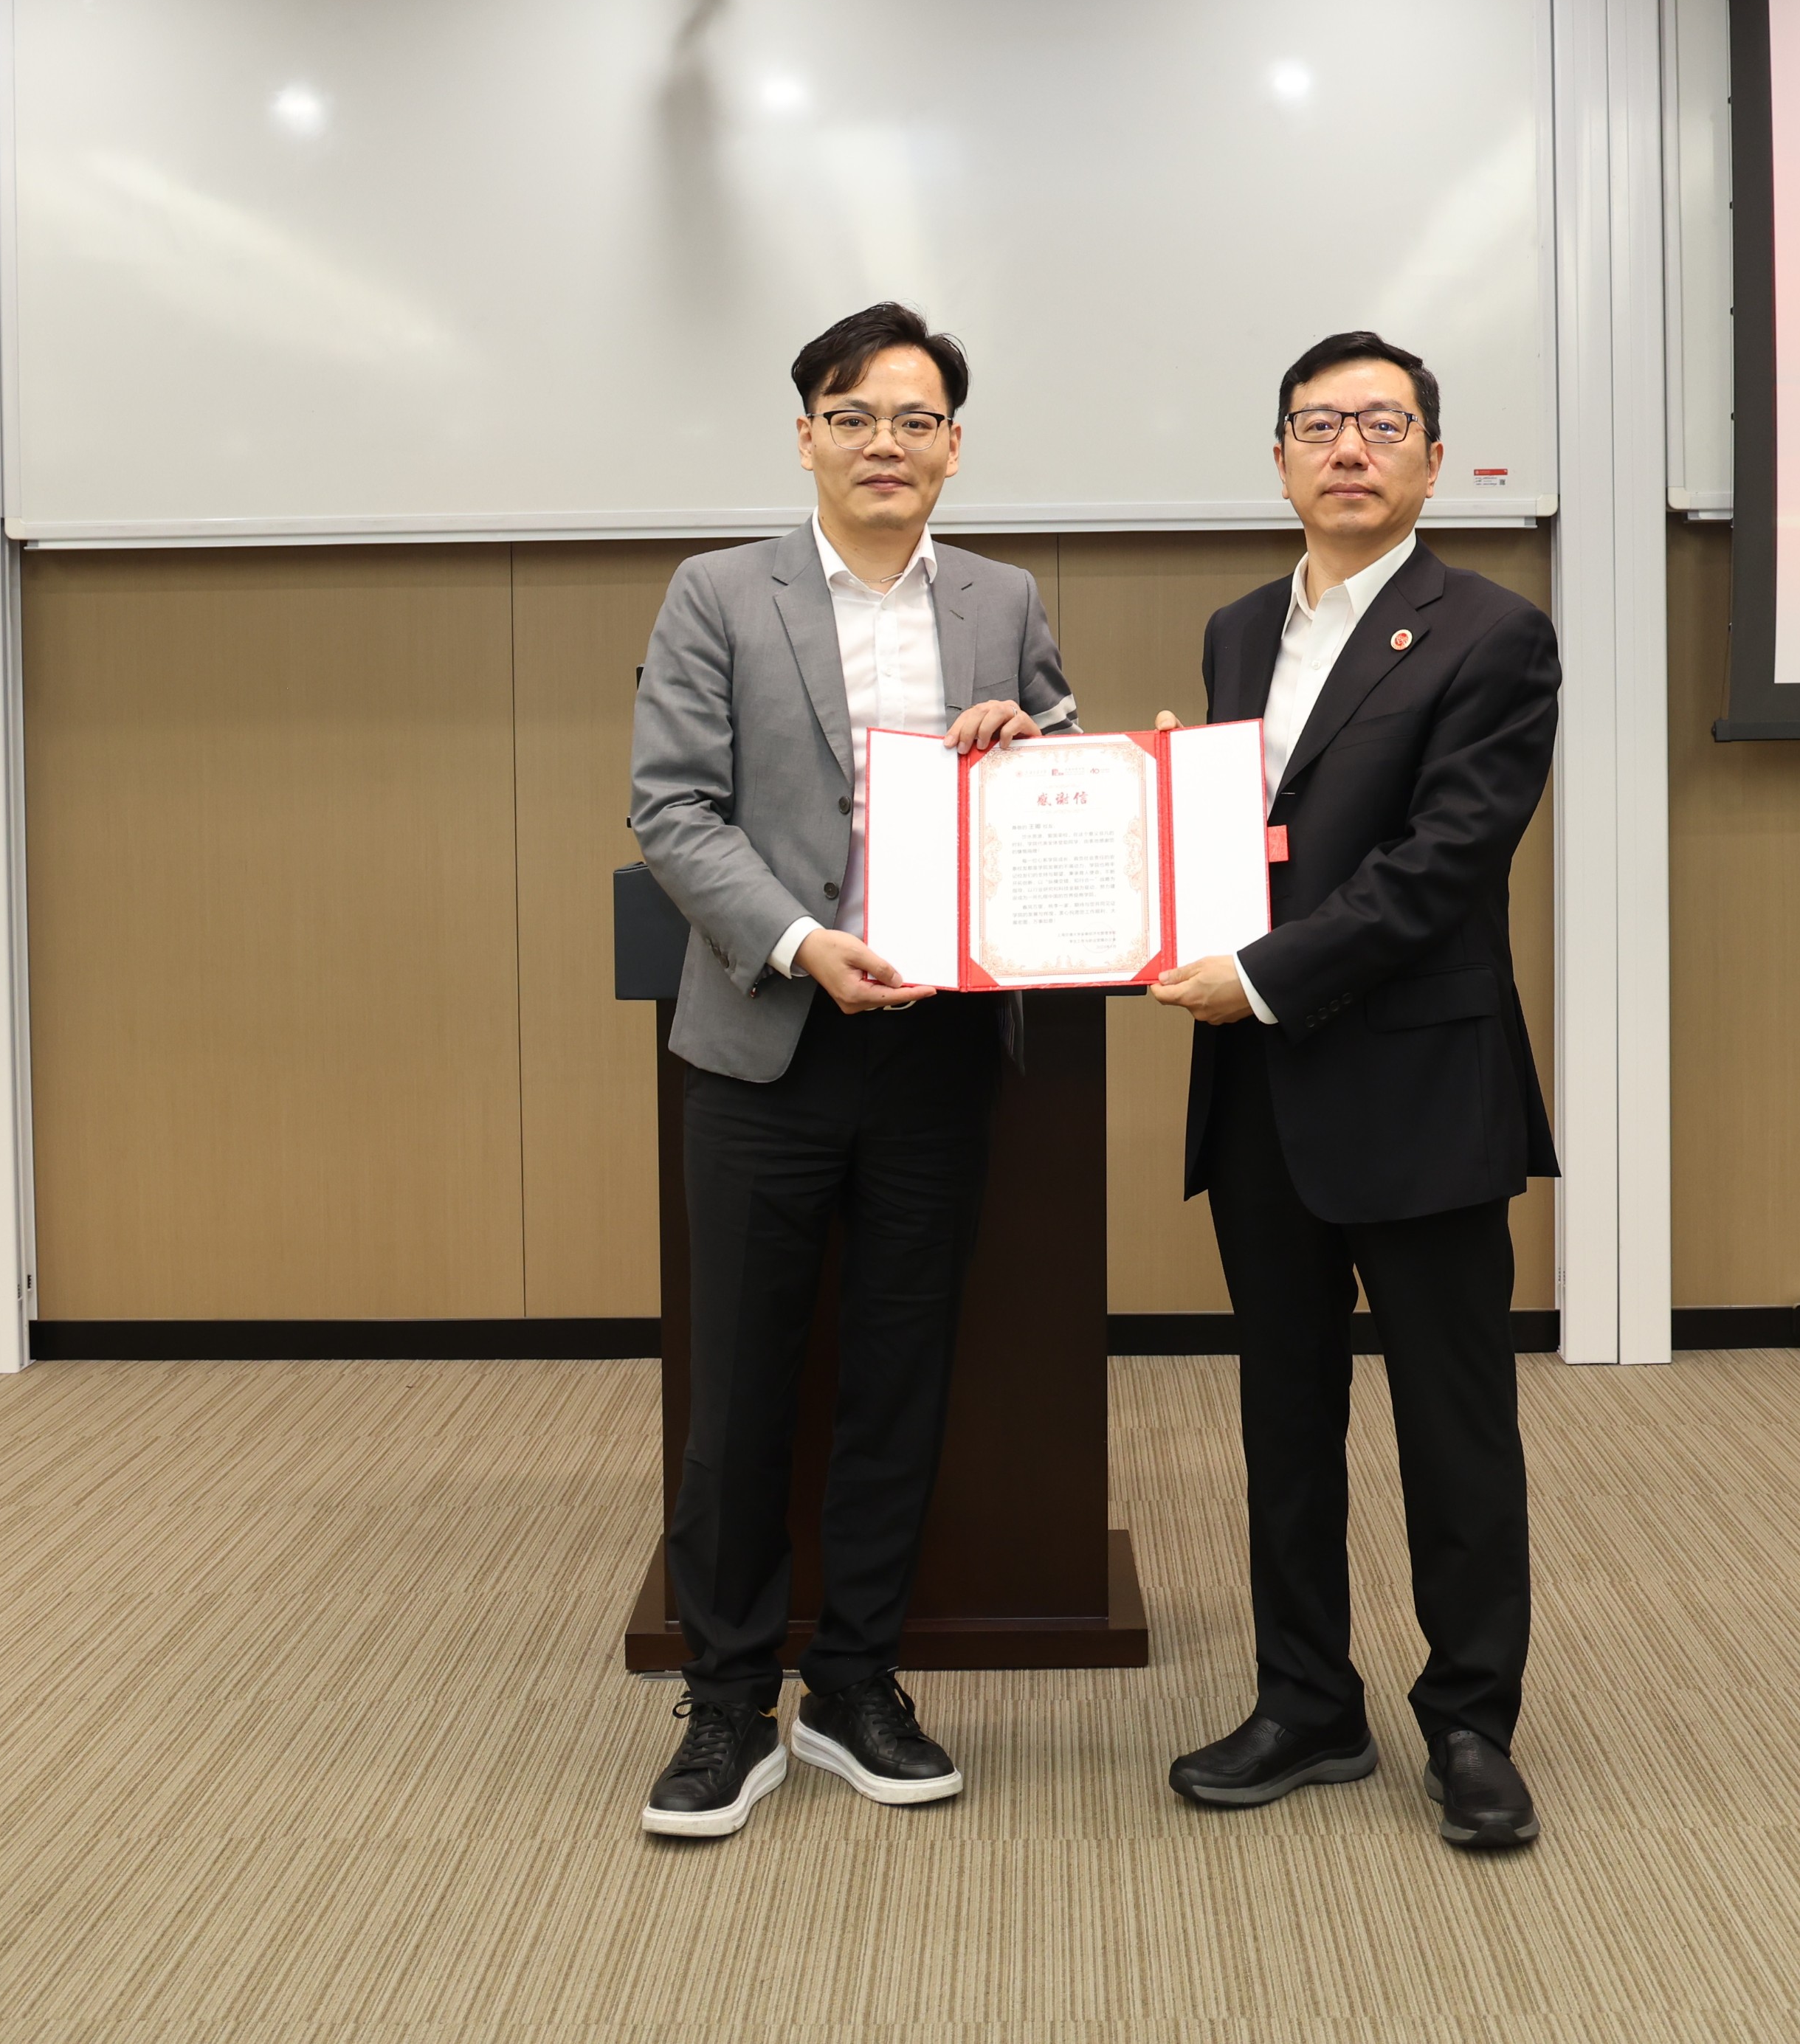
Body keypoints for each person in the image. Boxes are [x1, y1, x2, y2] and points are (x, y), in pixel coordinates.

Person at [626, 303, 1077, 1840]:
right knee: (743, 1386)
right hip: (771, 1042)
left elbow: (1068, 771)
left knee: (900, 1375)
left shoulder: (1005, 597)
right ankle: (725, 1699)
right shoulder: (716, 592)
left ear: (954, 445)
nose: (886, 442)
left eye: (916, 418)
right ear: (806, 436)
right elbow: (673, 809)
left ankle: (858, 1684)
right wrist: (803, 941)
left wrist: (1036, 740)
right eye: (854, 415)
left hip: (941, 1046)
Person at [1147, 329, 1561, 1850]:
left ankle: (1471, 1722)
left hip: (1419, 1083)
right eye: (1319, 424)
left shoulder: (1492, 634)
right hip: (1264, 1091)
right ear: (1278, 460)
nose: (1349, 449)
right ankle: (1306, 1701)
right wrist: (1138, 819)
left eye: (1383, 425)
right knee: (1283, 1416)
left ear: (1433, 463)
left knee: (1456, 1426)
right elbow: (1243, 835)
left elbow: (1441, 864)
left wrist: (1259, 974)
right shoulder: (1238, 628)